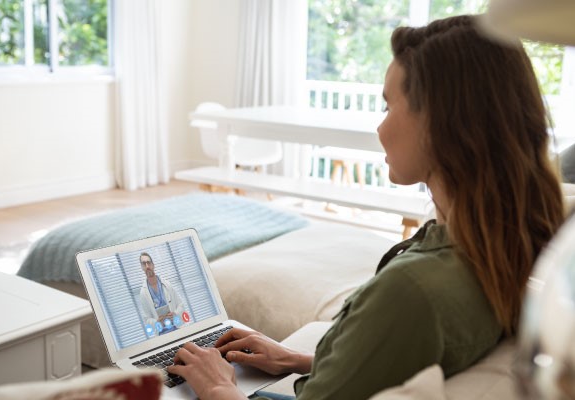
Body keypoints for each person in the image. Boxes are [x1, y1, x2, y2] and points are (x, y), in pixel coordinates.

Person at [166, 15, 566, 400]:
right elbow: (406, 356)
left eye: (388, 106)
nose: (380, 128)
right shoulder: (518, 242)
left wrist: (218, 386)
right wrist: (301, 359)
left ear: (441, 124)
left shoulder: (413, 291)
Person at [139, 252, 185, 334]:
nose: (147, 266)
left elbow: (180, 304)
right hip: (162, 334)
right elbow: (146, 319)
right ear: (142, 267)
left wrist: (175, 314)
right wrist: (157, 321)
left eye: (148, 263)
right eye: (144, 264)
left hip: (177, 329)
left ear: (153, 265)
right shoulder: (143, 293)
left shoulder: (167, 284)